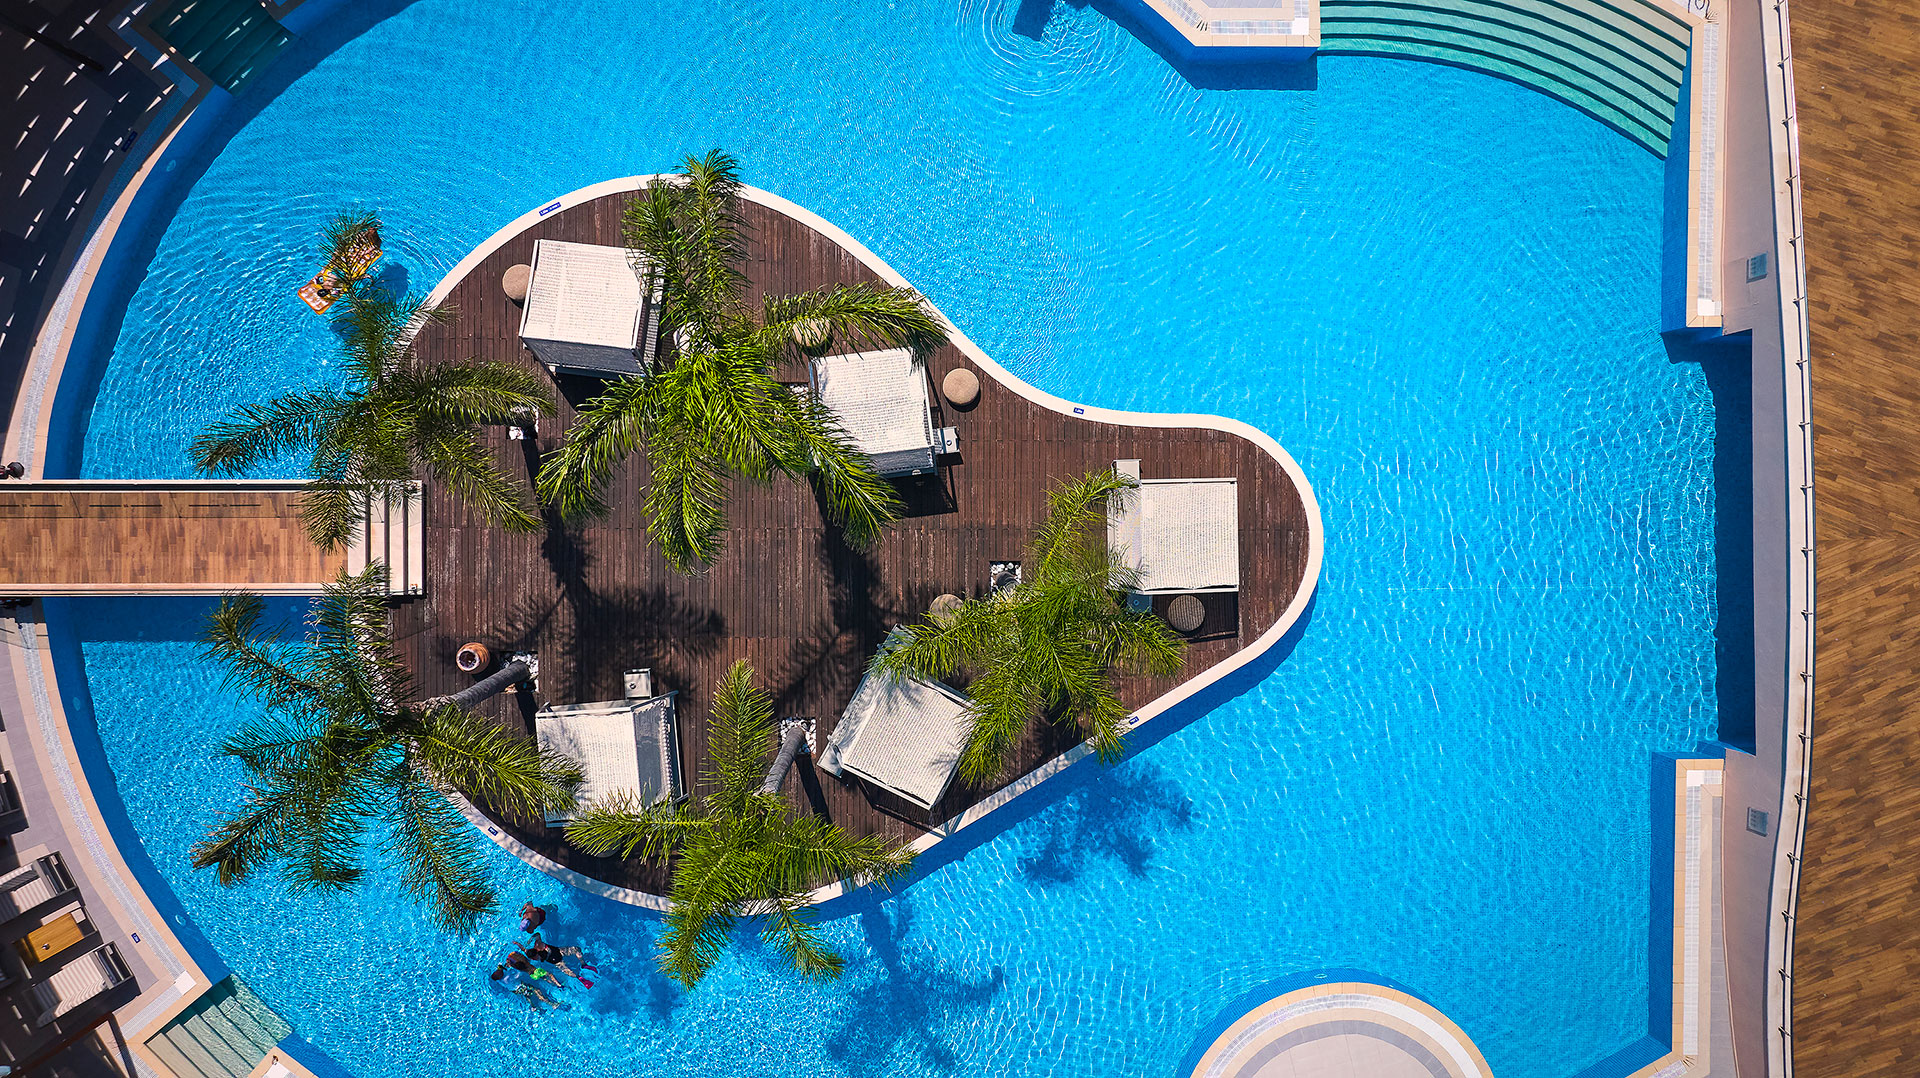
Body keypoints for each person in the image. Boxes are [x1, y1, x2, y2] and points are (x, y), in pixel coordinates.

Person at [524, 933, 595, 987]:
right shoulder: (536, 949)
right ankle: (581, 974)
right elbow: (537, 935)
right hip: (558, 957)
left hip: (558, 954)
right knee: (570, 969)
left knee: (576, 951)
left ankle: (582, 966)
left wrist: (531, 939)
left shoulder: (537, 948)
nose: (535, 958)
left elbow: (537, 934)